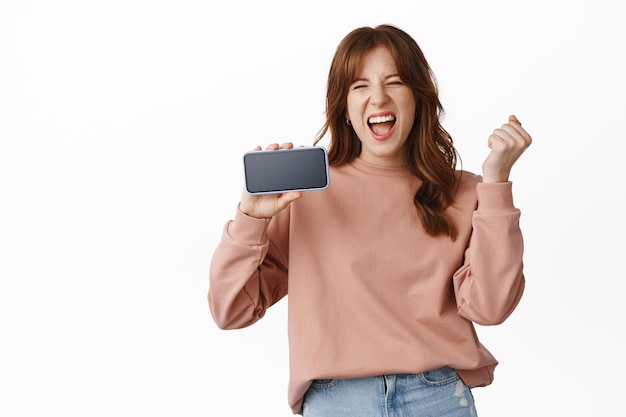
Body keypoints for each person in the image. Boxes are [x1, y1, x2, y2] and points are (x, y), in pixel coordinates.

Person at [208, 24, 532, 417]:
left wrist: (497, 183)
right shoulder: (303, 193)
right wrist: (249, 221)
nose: (378, 97)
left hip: (438, 397)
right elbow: (230, 311)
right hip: (335, 401)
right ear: (343, 105)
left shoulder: (464, 192)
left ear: (419, 96)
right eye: (359, 86)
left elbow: (491, 308)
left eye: (394, 82)